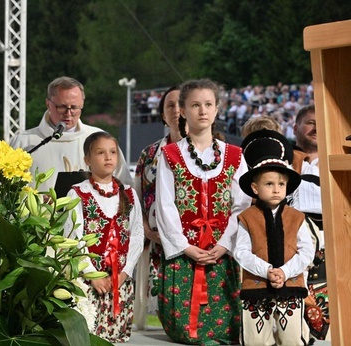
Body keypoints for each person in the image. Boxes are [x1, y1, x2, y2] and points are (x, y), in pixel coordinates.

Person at [155, 78, 252, 344]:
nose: (203, 111)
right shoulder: (170, 154)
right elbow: (165, 205)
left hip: (221, 251)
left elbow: (241, 206)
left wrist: (224, 245)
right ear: (183, 111)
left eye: (208, 104)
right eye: (195, 105)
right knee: (184, 329)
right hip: (185, 251)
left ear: (217, 109)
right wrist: (185, 247)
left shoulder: (235, 155)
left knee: (226, 328)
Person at [234, 130, 314, 345]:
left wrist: (285, 272)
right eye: (269, 184)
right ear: (255, 188)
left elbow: (306, 251)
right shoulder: (247, 218)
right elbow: (241, 252)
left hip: (291, 285)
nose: (276, 189)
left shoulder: (297, 217)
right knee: (256, 340)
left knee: (291, 339)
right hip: (257, 286)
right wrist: (267, 271)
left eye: (281, 184)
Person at [64, 131, 144, 343]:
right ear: (88, 160)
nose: (108, 157)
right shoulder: (77, 193)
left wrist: (125, 273)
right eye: (100, 153)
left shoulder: (129, 193)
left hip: (120, 283)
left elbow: (136, 235)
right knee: (90, 337)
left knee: (117, 338)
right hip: (90, 282)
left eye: (112, 152)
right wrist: (91, 274)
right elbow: (73, 238)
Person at [9, 76, 132, 192]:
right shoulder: (24, 143)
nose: (68, 113)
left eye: (74, 107)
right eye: (62, 107)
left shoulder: (99, 139)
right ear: (48, 104)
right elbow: (7, 193)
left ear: (82, 105)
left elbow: (124, 186)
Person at [132, 85, 184, 329]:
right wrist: (146, 229)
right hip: (154, 243)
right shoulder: (149, 154)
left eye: (182, 104)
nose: (177, 110)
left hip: (195, 244)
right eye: (170, 105)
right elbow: (137, 198)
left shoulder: (212, 152)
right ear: (163, 115)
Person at [291, 105, 330, 341]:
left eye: (320, 123)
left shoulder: (338, 161)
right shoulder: (282, 160)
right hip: (292, 244)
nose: (315, 128)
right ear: (295, 128)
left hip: (332, 241)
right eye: (310, 122)